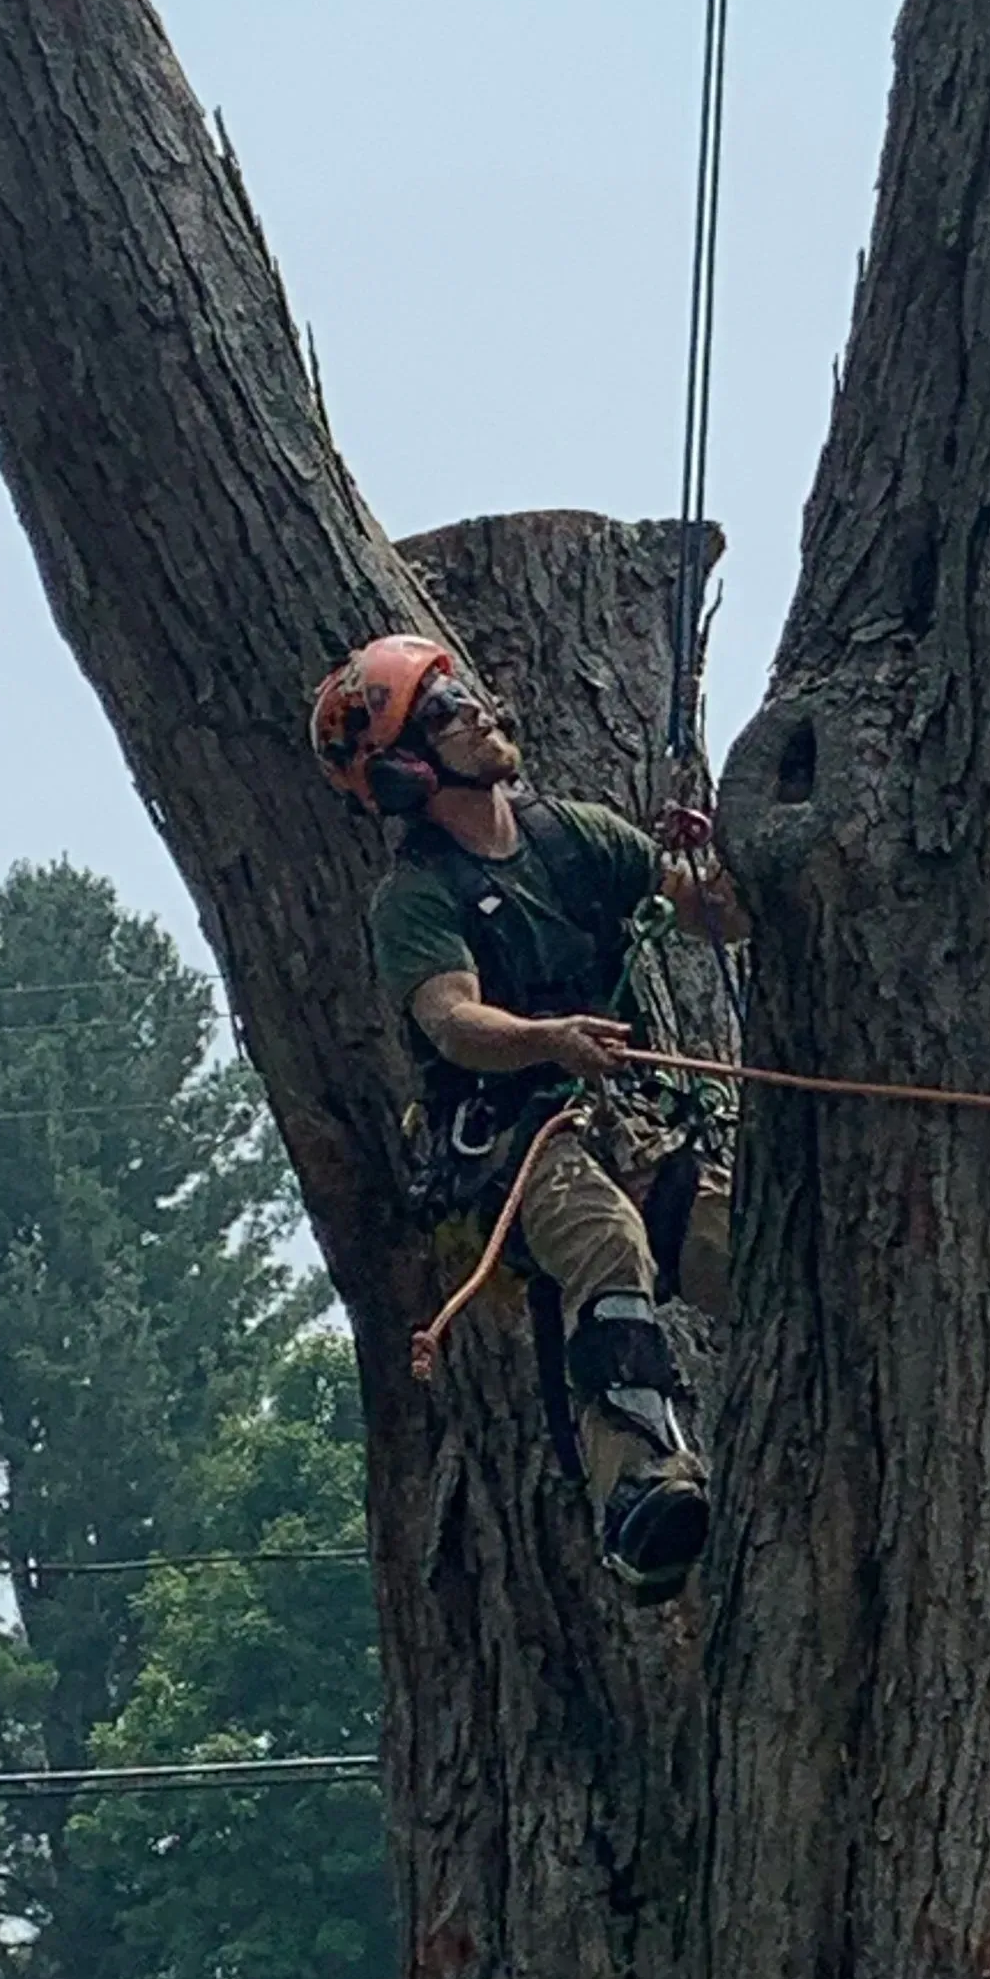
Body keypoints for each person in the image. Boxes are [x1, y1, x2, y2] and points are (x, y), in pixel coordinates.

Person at [310, 632, 745, 1605]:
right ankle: (642, 1487)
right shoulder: (417, 899)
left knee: (739, 1247)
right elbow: (453, 1020)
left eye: (465, 691)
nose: (478, 709)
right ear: (403, 771)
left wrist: (721, 850)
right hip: (505, 1147)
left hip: (617, 1122)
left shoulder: (572, 836)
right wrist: (550, 1040)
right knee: (605, 1243)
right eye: (443, 709)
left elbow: (717, 911)